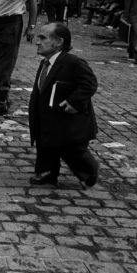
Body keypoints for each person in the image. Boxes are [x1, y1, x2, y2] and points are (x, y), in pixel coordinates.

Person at [29, 23, 99, 187]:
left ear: (59, 42)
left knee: (72, 150)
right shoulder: (45, 62)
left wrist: (74, 101)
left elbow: (89, 83)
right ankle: (47, 173)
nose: (37, 41)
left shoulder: (73, 62)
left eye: (43, 38)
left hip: (69, 122)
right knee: (46, 146)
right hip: (48, 118)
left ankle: (89, 172)